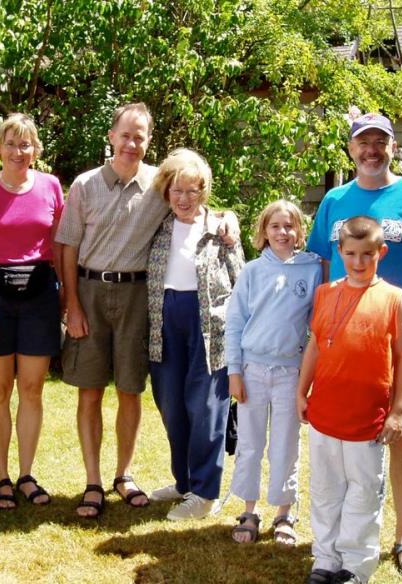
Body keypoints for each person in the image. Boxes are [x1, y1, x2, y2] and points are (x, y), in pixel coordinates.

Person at [56, 102, 239, 518]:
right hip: (92, 292)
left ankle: (126, 476)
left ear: (149, 141)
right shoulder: (86, 185)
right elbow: (65, 246)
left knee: (132, 389)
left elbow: (200, 203)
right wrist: (71, 304)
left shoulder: (158, 184)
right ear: (111, 136)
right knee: (103, 392)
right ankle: (94, 482)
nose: (132, 143)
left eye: (140, 136)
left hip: (142, 298)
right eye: (126, 135)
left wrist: (230, 220)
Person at [307, 113, 402, 577]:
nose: (371, 150)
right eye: (363, 142)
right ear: (351, 150)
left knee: (401, 430)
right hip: (340, 341)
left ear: (394, 147)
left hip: (400, 336)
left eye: (381, 142)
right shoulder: (334, 200)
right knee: (339, 436)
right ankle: (334, 540)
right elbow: (318, 262)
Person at [298, 216, 402, 584]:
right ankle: (325, 559)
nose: (358, 262)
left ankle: (355, 565)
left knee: (363, 492)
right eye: (350, 254)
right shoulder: (326, 293)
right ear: (340, 252)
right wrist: (302, 391)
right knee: (325, 490)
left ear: (382, 252)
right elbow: (315, 345)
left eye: (367, 254)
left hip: (367, 420)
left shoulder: (394, 299)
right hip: (326, 413)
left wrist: (397, 411)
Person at [0, 113, 64, 509]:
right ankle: (1, 477)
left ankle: (26, 475)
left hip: (39, 297)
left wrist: (66, 297)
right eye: (10, 143)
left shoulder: (52, 187)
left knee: (33, 389)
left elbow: (59, 249)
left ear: (35, 150)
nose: (18, 152)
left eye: (26, 144)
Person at [147, 149, 244, 520]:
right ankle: (184, 481)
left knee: (205, 409)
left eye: (193, 191)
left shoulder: (219, 229)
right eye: (177, 191)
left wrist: (230, 231)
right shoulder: (157, 226)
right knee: (171, 405)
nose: (184, 199)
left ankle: (205, 493)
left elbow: (240, 279)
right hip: (163, 323)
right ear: (166, 192)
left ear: (204, 193)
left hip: (209, 329)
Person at [225, 200, 322, 544]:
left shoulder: (312, 270)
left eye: (289, 226)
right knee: (250, 443)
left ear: (299, 232)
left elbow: (317, 326)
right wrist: (234, 370)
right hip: (252, 370)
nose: (282, 232)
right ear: (263, 231)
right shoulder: (252, 271)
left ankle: (284, 512)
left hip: (289, 372)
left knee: (285, 443)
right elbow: (235, 322)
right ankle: (249, 510)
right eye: (275, 226)